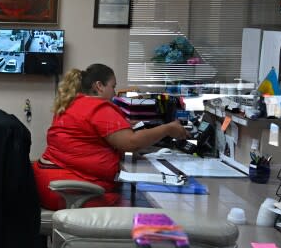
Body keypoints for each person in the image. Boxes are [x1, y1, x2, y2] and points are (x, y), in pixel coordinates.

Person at [33, 64, 189, 210]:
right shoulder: (97, 107)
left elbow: (88, 138)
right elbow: (131, 143)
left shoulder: (71, 104)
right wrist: (167, 129)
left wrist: (122, 126)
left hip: (51, 186)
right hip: (73, 192)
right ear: (99, 86)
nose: (114, 93)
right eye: (113, 87)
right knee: (150, 209)